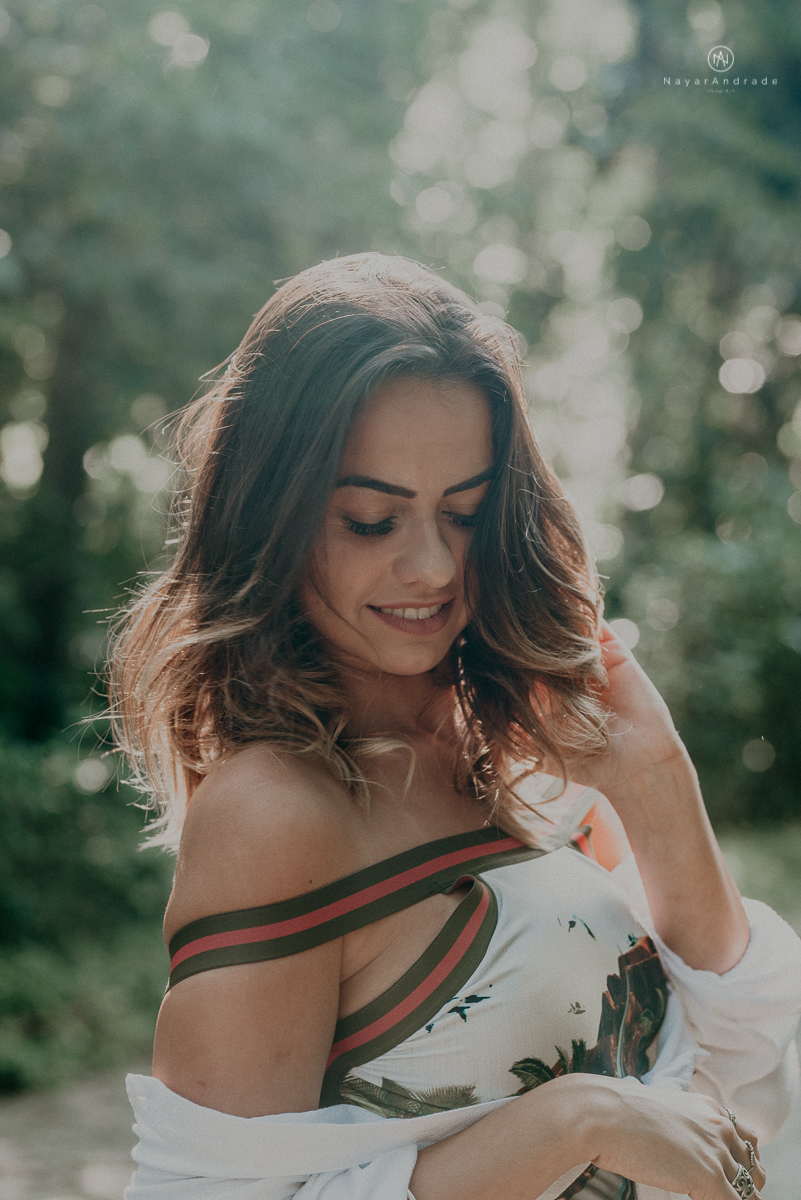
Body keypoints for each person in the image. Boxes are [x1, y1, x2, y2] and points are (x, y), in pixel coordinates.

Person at [111, 252, 801, 1200]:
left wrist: (652, 778)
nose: (431, 567)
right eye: (368, 521)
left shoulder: (529, 763)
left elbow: (747, 1072)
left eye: (465, 513)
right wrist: (577, 1120)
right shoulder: (279, 812)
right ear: (270, 513)